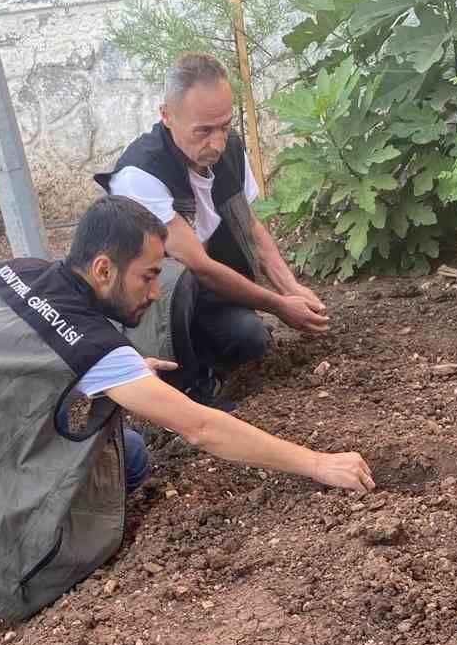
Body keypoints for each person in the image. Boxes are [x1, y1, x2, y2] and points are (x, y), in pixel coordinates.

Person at [0, 196, 373, 621]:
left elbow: (8, 369)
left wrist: (112, 369)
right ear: (104, 268)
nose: (154, 292)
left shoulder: (13, 272)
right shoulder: (92, 344)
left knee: (127, 448)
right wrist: (318, 463)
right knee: (128, 458)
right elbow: (200, 427)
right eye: (147, 276)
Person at [96, 52, 329, 407]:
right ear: (167, 116)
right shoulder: (141, 174)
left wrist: (290, 286)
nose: (218, 143)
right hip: (141, 309)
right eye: (204, 130)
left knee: (251, 339)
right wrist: (281, 306)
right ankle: (184, 387)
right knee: (179, 274)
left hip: (201, 297)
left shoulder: (229, 151)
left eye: (225, 126)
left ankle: (206, 364)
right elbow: (198, 265)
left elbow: (250, 224)